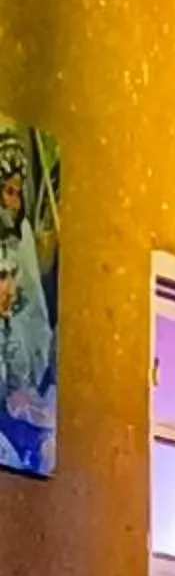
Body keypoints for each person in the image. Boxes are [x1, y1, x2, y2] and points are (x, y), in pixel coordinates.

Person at [0, 122, 57, 460]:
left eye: (17, 192)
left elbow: (35, 319)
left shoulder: (19, 238)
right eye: (8, 191)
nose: (14, 201)